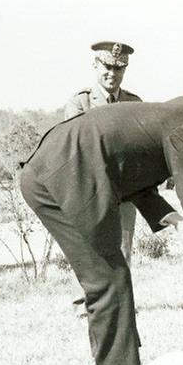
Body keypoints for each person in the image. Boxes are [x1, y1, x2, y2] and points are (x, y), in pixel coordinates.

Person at [19, 73, 183, 365]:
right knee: (107, 277)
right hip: (62, 178)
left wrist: (173, 221)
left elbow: (137, 177)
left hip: (54, 174)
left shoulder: (172, 117)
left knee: (109, 275)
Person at [64, 41, 143, 314]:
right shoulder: (80, 102)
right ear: (95, 66)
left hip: (123, 190)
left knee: (123, 245)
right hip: (90, 189)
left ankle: (119, 302)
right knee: (88, 247)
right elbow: (77, 146)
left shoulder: (134, 103)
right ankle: (83, 302)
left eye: (119, 68)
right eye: (107, 67)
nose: (113, 73)